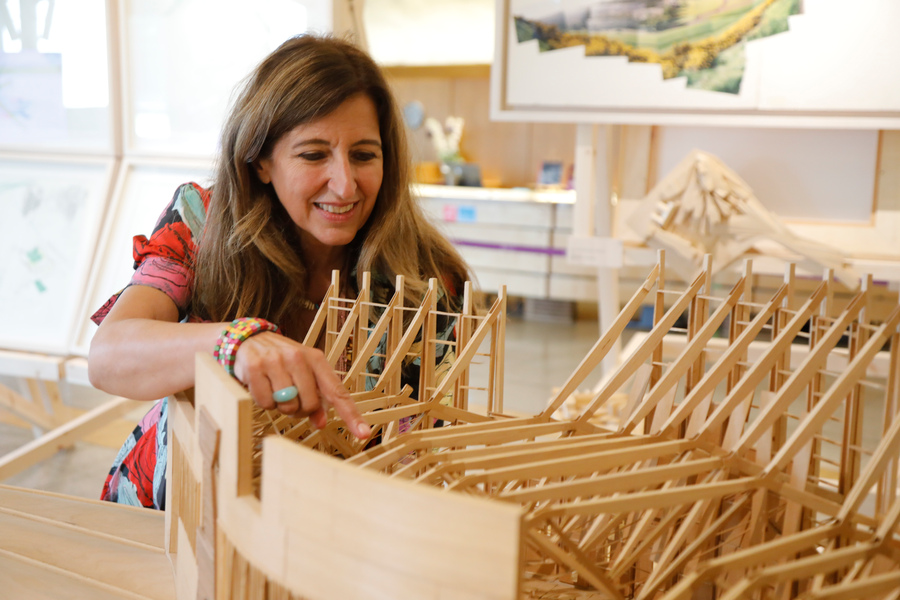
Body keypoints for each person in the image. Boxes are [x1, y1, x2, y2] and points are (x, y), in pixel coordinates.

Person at [88, 34, 472, 510]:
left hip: (333, 524)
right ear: (261, 162)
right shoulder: (201, 222)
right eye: (313, 155)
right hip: (178, 507)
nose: (344, 183)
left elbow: (423, 445)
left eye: (364, 155)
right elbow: (108, 357)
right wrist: (236, 342)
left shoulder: (430, 277)